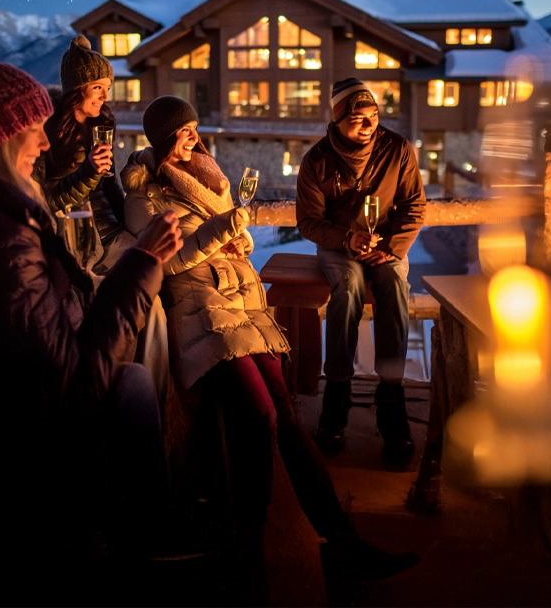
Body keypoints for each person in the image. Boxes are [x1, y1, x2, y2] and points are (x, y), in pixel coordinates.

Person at [0, 38, 182, 603]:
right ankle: (136, 549)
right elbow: (69, 385)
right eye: (31, 126)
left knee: (133, 376)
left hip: (0, 415)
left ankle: (138, 531)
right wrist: (142, 263)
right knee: (131, 382)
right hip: (17, 447)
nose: (43, 135)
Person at [121, 95, 421, 585]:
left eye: (195, 128)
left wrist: (236, 240)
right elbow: (168, 261)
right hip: (202, 318)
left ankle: (342, 545)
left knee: (285, 417)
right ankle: (248, 546)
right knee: (259, 416)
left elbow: (220, 241)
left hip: (240, 308)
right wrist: (224, 230)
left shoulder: (202, 177)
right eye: (184, 132)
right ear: (163, 138)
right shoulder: (144, 196)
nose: (194, 138)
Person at [296, 77, 426, 465]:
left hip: (385, 244)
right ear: (337, 120)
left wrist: (389, 249)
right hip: (340, 245)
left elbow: (414, 207)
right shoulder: (317, 160)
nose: (368, 124)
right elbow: (308, 222)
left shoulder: (397, 149)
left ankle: (391, 399)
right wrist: (347, 239)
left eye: (373, 116)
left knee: (392, 287)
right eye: (357, 118)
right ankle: (336, 397)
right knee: (349, 287)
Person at [37, 34, 136, 274]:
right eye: (97, 88)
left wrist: (129, 226)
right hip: (77, 236)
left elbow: (109, 183)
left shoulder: (101, 125)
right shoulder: (46, 131)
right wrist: (89, 171)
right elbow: (46, 201)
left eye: (108, 88)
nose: (105, 97)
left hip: (109, 230)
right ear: (76, 89)